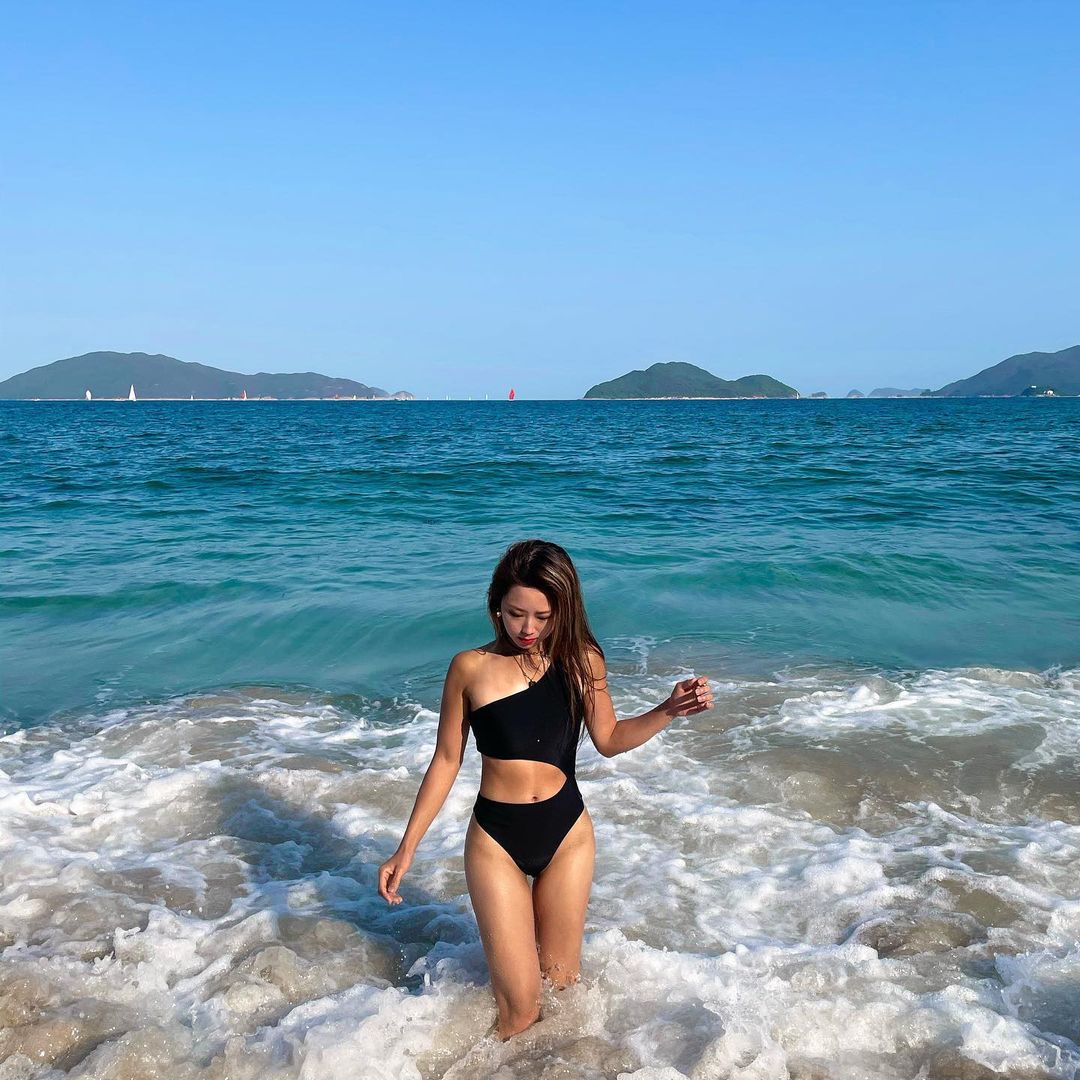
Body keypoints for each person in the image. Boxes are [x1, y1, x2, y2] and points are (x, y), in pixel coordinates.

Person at [376, 539, 713, 1040]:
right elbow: (446, 760)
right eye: (516, 614)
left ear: (562, 610)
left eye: (542, 616)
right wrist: (406, 848)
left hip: (566, 833)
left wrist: (668, 710)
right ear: (496, 606)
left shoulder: (582, 661)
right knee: (520, 1011)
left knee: (562, 993)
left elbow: (609, 740)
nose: (528, 628)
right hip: (497, 841)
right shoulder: (469, 668)